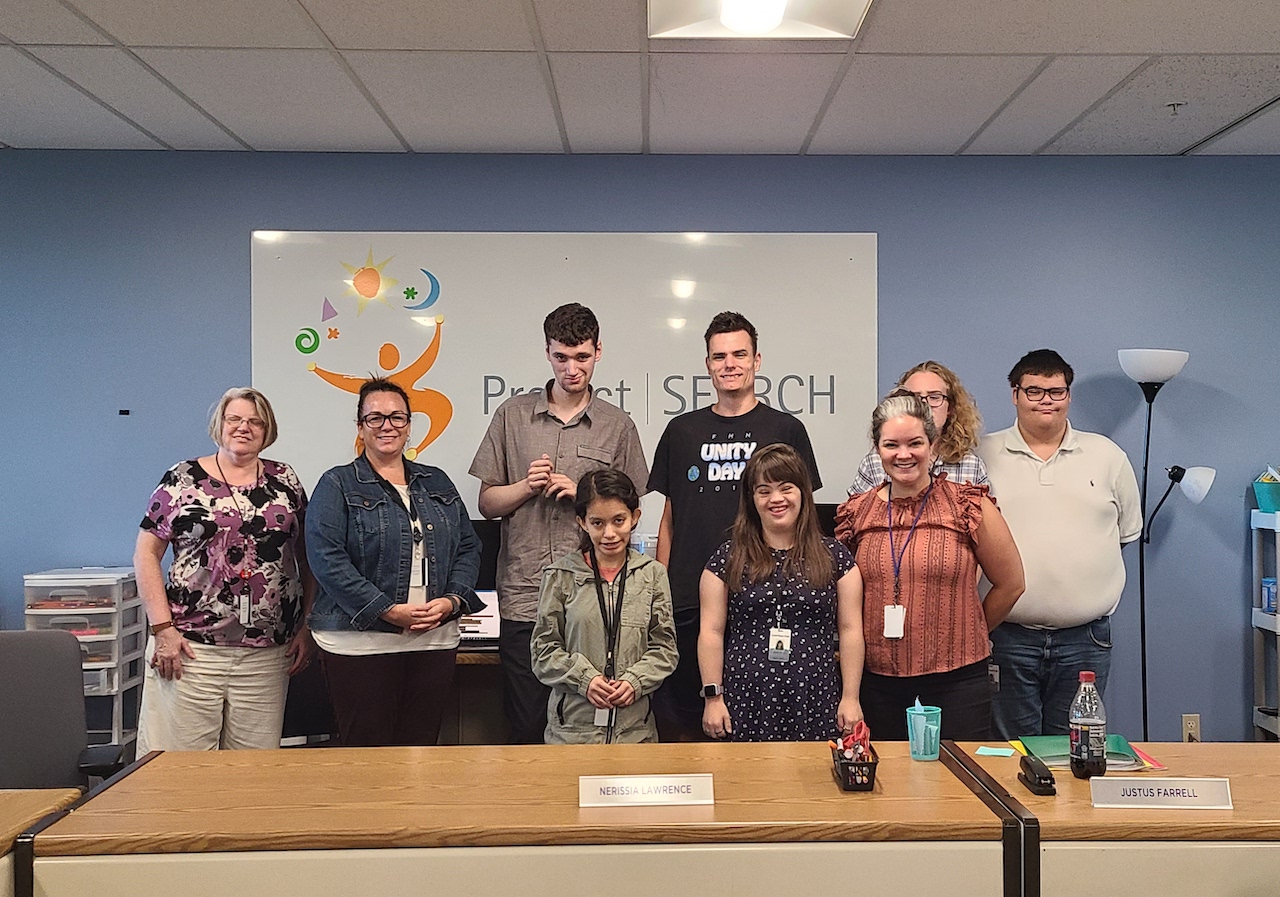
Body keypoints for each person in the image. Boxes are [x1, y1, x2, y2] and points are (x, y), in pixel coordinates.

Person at [470, 303, 649, 743]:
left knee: (591, 725)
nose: (572, 369)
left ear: (598, 351)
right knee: (527, 724)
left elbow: (630, 509)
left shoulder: (617, 425)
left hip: (596, 599)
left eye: (582, 357)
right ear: (547, 352)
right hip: (525, 597)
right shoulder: (512, 415)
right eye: (561, 357)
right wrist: (525, 486)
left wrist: (584, 496)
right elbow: (487, 504)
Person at [648, 311, 822, 741]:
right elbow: (670, 516)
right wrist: (662, 590)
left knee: (755, 728)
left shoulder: (786, 429)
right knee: (686, 725)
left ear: (756, 360)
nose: (729, 364)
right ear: (707, 364)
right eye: (719, 356)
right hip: (689, 599)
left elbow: (805, 515)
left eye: (739, 354)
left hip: (763, 599)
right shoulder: (681, 431)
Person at [835, 393, 1024, 741]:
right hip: (877, 683)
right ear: (877, 450)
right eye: (891, 445)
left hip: (958, 682)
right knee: (885, 773)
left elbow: (1011, 583)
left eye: (915, 443)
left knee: (960, 773)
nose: (903, 454)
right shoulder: (856, 513)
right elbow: (843, 596)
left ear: (933, 446)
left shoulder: (967, 504)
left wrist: (971, 629)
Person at [135, 387, 314, 753]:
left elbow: (308, 557)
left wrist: (306, 626)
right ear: (219, 425)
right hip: (189, 649)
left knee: (252, 772)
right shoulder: (182, 478)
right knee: (179, 769)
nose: (243, 427)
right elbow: (146, 554)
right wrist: (163, 630)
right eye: (234, 419)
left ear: (267, 430)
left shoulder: (285, 480)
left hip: (267, 654)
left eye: (255, 421)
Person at [307, 378, 483, 747]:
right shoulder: (337, 484)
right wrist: (386, 611)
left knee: (420, 757)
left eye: (397, 417)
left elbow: (468, 546)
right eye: (375, 418)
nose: (387, 426)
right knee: (367, 760)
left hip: (433, 642)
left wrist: (452, 600)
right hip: (361, 644)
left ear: (408, 424)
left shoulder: (437, 481)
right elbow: (326, 560)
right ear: (361, 427)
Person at [978, 349, 1141, 738]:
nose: (1046, 401)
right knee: (1012, 752)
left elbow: (1123, 536)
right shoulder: (981, 456)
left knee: (1077, 749)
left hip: (1085, 639)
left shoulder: (1107, 456)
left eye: (1056, 391)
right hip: (1005, 636)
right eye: (1034, 391)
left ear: (1068, 395)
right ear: (1015, 394)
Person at [699, 444, 864, 742]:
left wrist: (851, 698)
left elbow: (851, 630)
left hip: (816, 698)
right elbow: (711, 632)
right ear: (752, 499)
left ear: (803, 493)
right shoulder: (727, 558)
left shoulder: (837, 558)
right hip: (744, 700)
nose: (776, 499)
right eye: (764, 491)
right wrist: (713, 698)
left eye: (786, 488)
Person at [531, 470, 677, 744]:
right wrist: (584, 679)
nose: (609, 533)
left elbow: (665, 649)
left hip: (635, 734)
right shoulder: (560, 576)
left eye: (618, 521)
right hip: (572, 734)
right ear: (582, 522)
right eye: (597, 523)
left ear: (634, 517)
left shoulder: (653, 574)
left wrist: (635, 680)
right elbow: (543, 652)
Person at [848, 360, 989, 494]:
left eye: (934, 397)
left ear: (950, 408)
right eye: (914, 398)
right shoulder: (875, 462)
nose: (925, 405)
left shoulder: (971, 465)